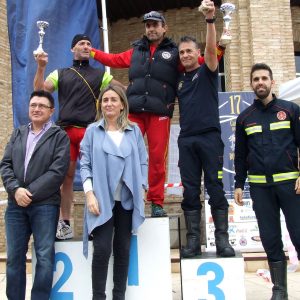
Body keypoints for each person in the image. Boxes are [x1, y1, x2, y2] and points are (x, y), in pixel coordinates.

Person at [90, 10, 228, 217]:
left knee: (156, 159)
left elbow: (200, 60)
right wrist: (90, 52)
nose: (151, 28)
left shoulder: (175, 53)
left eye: (155, 25)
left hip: (160, 113)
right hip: (134, 111)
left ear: (165, 27)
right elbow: (113, 59)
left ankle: (156, 202)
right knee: (124, 154)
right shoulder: (136, 50)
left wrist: (220, 48)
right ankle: (124, 196)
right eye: (148, 25)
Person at [34, 33, 122, 240]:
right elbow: (39, 93)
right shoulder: (60, 73)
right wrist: (40, 67)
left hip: (89, 133)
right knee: (66, 178)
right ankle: (64, 224)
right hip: (65, 133)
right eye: (81, 43)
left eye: (89, 44)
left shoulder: (102, 75)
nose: (86, 46)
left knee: (97, 178)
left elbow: (122, 91)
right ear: (72, 49)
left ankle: (97, 223)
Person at [234, 63, 300, 299]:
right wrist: (239, 184)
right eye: (256, 79)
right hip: (260, 188)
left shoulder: (291, 110)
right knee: (270, 238)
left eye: (264, 78)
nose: (260, 82)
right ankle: (279, 290)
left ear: (272, 82)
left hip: (291, 185)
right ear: (251, 84)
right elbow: (240, 156)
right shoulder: (244, 119)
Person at [176, 0, 235, 258]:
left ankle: (222, 240)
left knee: (215, 187)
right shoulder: (179, 81)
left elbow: (213, 51)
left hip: (210, 138)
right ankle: (192, 242)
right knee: (190, 191)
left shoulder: (208, 70)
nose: (186, 55)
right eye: (182, 53)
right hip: (186, 141)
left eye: (189, 51)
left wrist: (210, 20)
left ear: (197, 51)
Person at [0, 90, 70, 300]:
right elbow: (6, 165)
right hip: (15, 206)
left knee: (44, 257)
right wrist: (15, 190)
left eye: (41, 106)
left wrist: (28, 192)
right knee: (14, 259)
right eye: (33, 105)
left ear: (51, 111)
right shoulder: (18, 133)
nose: (36, 109)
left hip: (45, 206)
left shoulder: (60, 136)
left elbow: (57, 171)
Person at [80, 84, 147, 299]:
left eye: (113, 100)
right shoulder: (92, 131)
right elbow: (85, 164)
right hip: (100, 200)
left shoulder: (134, 130)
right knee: (101, 250)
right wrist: (89, 194)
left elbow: (143, 162)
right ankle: (98, 296)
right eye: (105, 100)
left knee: (123, 250)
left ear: (122, 105)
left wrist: (142, 188)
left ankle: (119, 295)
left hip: (126, 200)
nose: (109, 103)